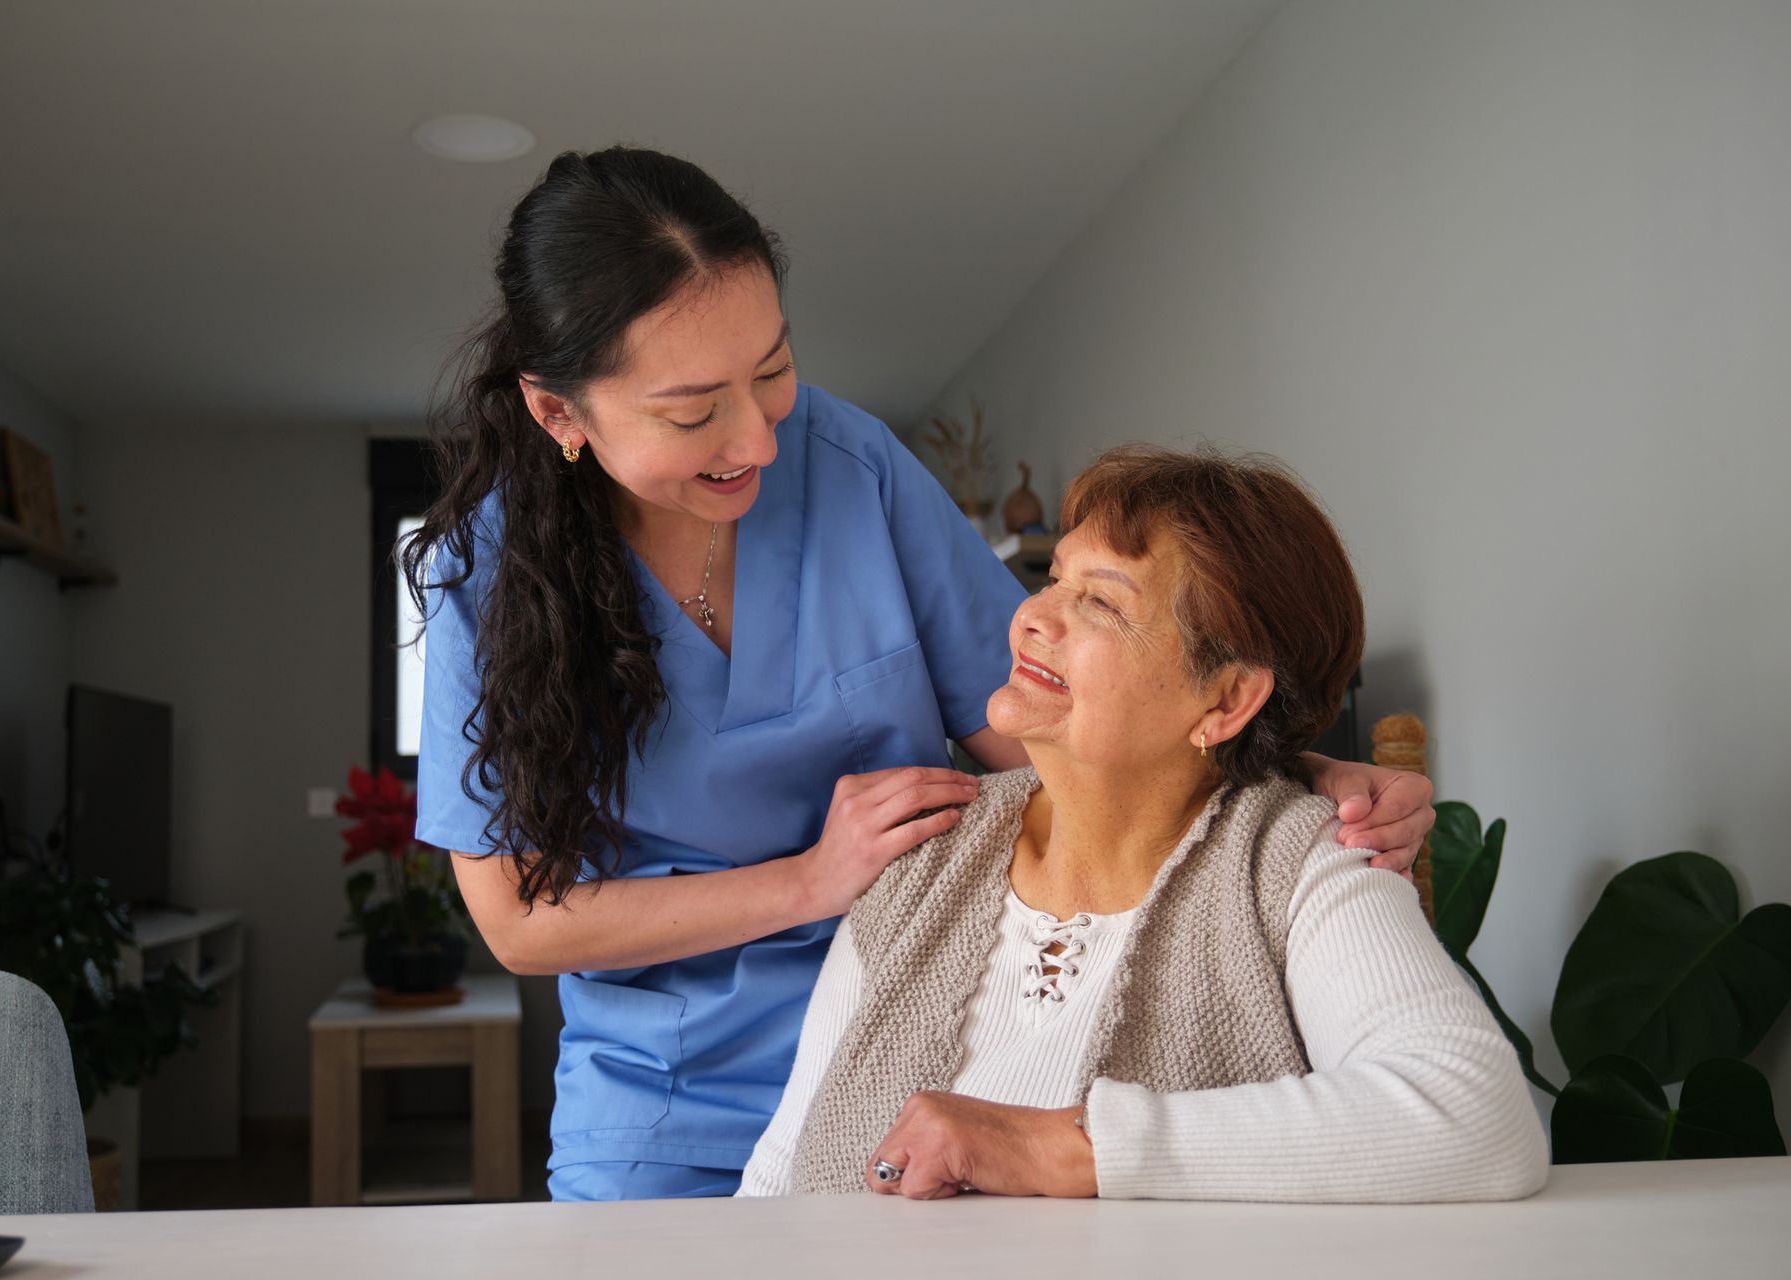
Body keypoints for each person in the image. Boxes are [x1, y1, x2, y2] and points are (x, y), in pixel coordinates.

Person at [405, 147, 1437, 1202]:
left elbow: (1058, 720)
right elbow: (521, 919)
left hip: (921, 1060)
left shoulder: (850, 465)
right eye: (692, 411)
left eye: (772, 367)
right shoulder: (486, 577)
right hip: (665, 1106)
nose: (759, 436)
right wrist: (811, 879)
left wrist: (1294, 770)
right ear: (560, 414)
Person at [737, 447, 1548, 1202]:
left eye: (1099, 602)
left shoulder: (1296, 865)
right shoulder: (919, 852)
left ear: (1226, 700)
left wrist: (1070, 1149)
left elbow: (1477, 1115)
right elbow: (779, 1174)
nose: (1032, 617)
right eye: (1053, 579)